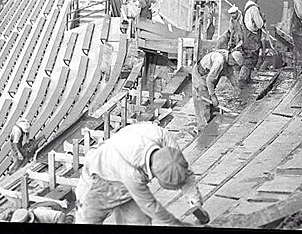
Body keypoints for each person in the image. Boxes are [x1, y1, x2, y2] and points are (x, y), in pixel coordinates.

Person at [75, 122, 204, 225]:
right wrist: (177, 224)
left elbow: (185, 173)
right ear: (155, 174)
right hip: (99, 182)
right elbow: (150, 205)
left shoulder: (165, 139)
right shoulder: (132, 173)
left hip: (125, 178)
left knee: (140, 223)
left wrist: (196, 203)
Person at [192, 49, 243, 129]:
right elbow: (209, 80)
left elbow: (230, 75)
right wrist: (213, 96)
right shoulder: (219, 62)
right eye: (235, 64)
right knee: (205, 103)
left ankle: (211, 122)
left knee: (212, 105)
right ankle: (204, 128)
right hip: (201, 76)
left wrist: (237, 87)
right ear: (232, 59)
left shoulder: (228, 60)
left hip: (208, 75)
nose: (234, 67)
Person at [239, 0, 265, 84]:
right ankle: (243, 79)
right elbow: (259, 24)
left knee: (248, 56)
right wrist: (263, 21)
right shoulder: (254, 8)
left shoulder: (247, 5)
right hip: (252, 36)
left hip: (247, 35)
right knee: (251, 58)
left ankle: (247, 78)